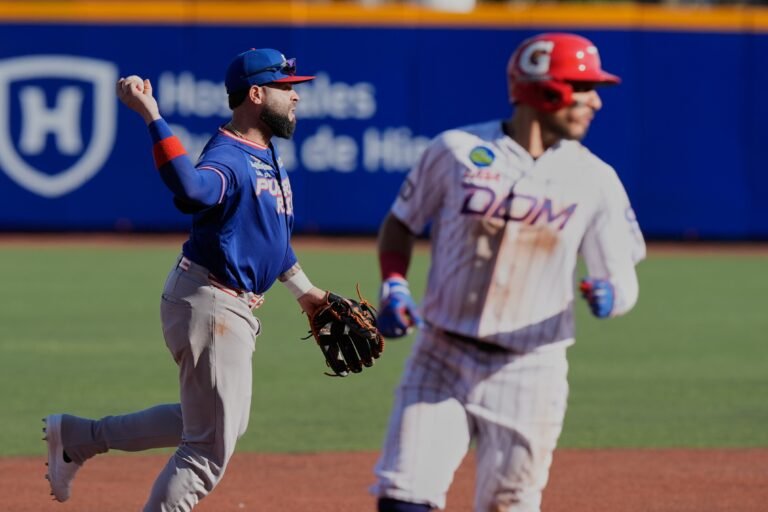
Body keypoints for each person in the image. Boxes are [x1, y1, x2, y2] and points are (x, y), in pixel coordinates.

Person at [43, 48, 331, 511]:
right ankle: (84, 439)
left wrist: (306, 292)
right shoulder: (230, 156)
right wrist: (151, 116)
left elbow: (270, 236)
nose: (295, 97)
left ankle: (80, 437)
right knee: (207, 450)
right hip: (211, 302)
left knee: (214, 424)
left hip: (219, 302)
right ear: (256, 94)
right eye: (285, 88)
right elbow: (192, 190)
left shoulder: (263, 152)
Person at [371, 32, 646, 512]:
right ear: (546, 89)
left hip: (531, 368)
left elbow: (624, 279)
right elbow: (401, 222)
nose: (595, 101)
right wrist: (394, 284)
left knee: (508, 504)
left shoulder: (596, 178)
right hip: (441, 353)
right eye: (583, 87)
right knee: (402, 497)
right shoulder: (456, 149)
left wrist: (611, 294)